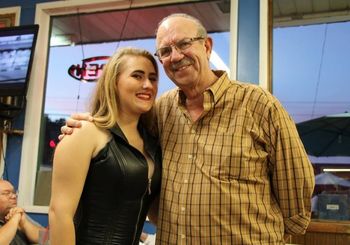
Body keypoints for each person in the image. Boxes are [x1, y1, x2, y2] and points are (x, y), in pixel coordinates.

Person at [61, 14, 315, 245]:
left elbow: (296, 186)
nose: (176, 56)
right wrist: (89, 124)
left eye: (184, 44)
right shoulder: (160, 112)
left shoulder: (258, 104)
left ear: (206, 46)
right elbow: (123, 133)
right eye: (165, 50)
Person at [49, 47, 162, 245]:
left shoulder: (152, 143)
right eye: (137, 76)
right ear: (114, 82)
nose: (148, 85)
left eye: (152, 78)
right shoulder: (85, 132)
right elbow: (60, 214)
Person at [0, 179, 43, 245]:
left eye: (14, 192)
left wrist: (24, 223)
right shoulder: (16, 216)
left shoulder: (19, 214)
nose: (14, 196)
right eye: (6, 193)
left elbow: (47, 240)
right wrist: (14, 220)